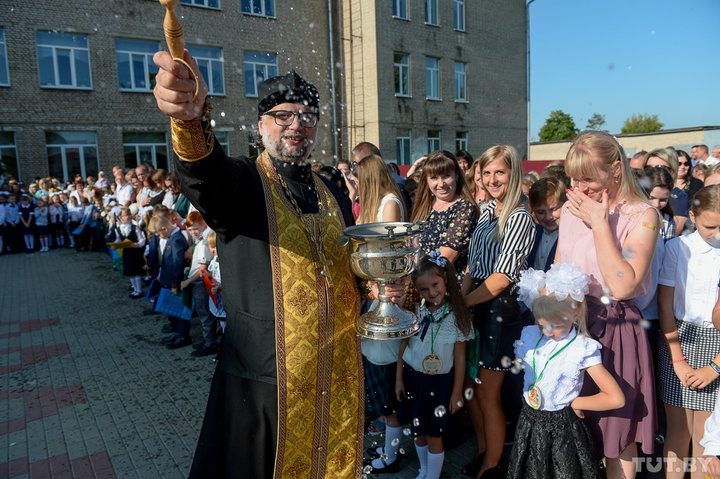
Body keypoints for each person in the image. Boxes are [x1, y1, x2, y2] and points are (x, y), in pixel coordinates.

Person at [154, 48, 368, 477]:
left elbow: (343, 262)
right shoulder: (243, 181)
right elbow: (204, 177)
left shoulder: (331, 189)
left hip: (337, 369)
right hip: (265, 377)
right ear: (260, 126)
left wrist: (373, 287)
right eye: (283, 115)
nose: (297, 125)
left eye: (308, 117)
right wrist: (191, 121)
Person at [560, 130, 660, 479]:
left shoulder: (643, 215)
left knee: (617, 437)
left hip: (616, 329)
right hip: (573, 325)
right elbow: (559, 269)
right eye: (574, 177)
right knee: (573, 427)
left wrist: (601, 223)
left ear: (616, 169)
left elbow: (623, 284)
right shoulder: (570, 209)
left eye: (588, 177)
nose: (579, 187)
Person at [508, 263, 625, 479]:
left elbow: (616, 398)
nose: (548, 332)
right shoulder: (531, 335)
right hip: (529, 422)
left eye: (555, 325)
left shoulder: (581, 349)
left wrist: (577, 403)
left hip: (562, 431)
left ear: (575, 313)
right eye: (542, 325)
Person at [462, 145, 536, 479]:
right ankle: (482, 452)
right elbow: (472, 265)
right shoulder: (486, 209)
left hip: (498, 310)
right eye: (487, 173)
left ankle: (493, 466)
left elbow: (503, 277)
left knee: (488, 394)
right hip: (475, 303)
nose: (492, 179)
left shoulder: (519, 216)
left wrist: (465, 302)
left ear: (514, 173)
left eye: (500, 173)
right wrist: (459, 303)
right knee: (473, 388)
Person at [392, 252, 474, 479]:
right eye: (424, 289)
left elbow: (460, 357)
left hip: (440, 383)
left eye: (435, 284)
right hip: (413, 378)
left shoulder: (457, 315)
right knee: (418, 432)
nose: (431, 292)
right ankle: (424, 470)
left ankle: (433, 476)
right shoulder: (414, 311)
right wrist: (399, 378)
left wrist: (457, 391)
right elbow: (403, 346)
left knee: (434, 434)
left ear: (446, 280)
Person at [657, 185, 720, 479]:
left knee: (706, 435)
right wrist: (678, 359)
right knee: (678, 429)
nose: (718, 232)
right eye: (711, 225)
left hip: (716, 346)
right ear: (692, 216)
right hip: (678, 341)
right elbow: (666, 306)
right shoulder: (677, 248)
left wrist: (714, 367)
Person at [410, 150, 479, 278]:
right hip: (419, 283)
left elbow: (443, 259)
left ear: (457, 176)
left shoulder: (464, 209)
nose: (441, 184)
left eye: (446, 176)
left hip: (444, 288)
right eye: (434, 178)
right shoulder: (424, 206)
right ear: (426, 180)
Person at [148, 214, 190, 348]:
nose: (159, 237)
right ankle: (178, 332)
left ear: (165, 228)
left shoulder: (176, 239)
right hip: (168, 278)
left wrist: (175, 283)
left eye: (159, 234)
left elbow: (178, 263)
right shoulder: (172, 237)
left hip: (174, 280)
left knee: (179, 309)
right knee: (173, 309)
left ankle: (183, 335)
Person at [180, 211, 217, 357]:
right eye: (190, 229)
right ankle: (207, 340)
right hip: (196, 282)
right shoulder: (199, 241)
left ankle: (210, 343)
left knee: (204, 315)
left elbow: (202, 269)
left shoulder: (203, 243)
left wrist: (187, 281)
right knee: (202, 314)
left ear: (203, 225)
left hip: (200, 284)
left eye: (195, 228)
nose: (193, 232)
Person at [643, 147, 690, 235]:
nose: (654, 172)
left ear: (672, 170)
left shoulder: (679, 197)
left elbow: (675, 233)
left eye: (660, 167)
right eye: (648, 168)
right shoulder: (635, 194)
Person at [527, 177, 566, 272]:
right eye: (540, 212)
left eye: (554, 209)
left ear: (565, 203)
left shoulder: (570, 235)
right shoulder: (531, 232)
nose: (548, 217)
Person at [106, 207, 146, 298]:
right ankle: (135, 289)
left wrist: (138, 244)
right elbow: (118, 239)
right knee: (130, 272)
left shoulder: (135, 228)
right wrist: (115, 245)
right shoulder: (118, 229)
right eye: (126, 215)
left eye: (129, 214)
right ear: (120, 218)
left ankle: (139, 290)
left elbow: (142, 239)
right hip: (126, 252)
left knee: (136, 271)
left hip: (135, 252)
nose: (129, 216)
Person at [355, 154, 405, 224]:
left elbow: (388, 234)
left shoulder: (390, 204)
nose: (356, 186)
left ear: (369, 181)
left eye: (357, 182)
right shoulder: (373, 201)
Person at [643, 166, 677, 241]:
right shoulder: (630, 216)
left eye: (663, 200)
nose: (656, 204)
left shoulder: (668, 221)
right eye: (651, 198)